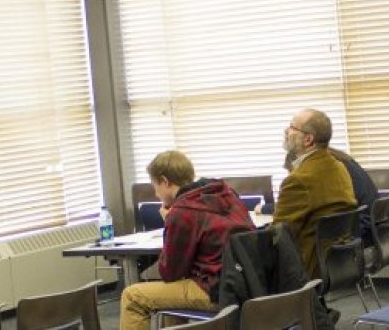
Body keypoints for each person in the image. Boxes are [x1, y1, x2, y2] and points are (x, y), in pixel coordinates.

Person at [120, 150, 255, 330]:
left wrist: (169, 220)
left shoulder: (182, 211)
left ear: (165, 181)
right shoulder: (226, 193)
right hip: (250, 282)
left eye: (155, 186)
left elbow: (169, 272)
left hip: (218, 290)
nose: (156, 194)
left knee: (132, 296)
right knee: (174, 289)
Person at [272, 108, 357, 279]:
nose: (286, 131)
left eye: (292, 127)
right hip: (340, 260)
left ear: (308, 139)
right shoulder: (340, 167)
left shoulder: (299, 180)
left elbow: (278, 235)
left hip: (308, 268)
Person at [256, 147, 379, 246]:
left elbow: (298, 207)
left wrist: (261, 227)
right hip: (371, 229)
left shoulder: (325, 171)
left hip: (357, 235)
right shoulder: (339, 161)